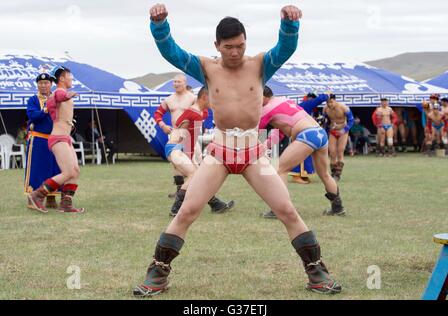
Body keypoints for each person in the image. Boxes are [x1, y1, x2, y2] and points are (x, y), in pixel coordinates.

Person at [133, 3, 342, 297]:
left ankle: (317, 273)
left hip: (253, 152)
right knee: (188, 210)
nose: (235, 52)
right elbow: (172, 52)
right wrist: (160, 26)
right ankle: (157, 274)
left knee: (286, 210)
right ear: (216, 45)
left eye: (240, 46)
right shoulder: (206, 67)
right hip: (219, 151)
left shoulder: (259, 65)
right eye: (229, 47)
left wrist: (290, 24)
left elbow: (286, 48)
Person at [259, 87, 346, 219]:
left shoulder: (266, 109)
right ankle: (338, 208)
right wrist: (267, 145)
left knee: (280, 169)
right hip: (319, 133)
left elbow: (255, 128)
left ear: (264, 96)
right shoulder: (284, 100)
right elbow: (282, 129)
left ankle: (280, 209)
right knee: (325, 175)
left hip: (306, 135)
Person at [166, 86, 234, 216]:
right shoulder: (196, 114)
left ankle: (216, 204)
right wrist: (188, 157)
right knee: (194, 176)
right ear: (204, 97)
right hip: (177, 149)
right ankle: (176, 209)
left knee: (200, 178)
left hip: (174, 148)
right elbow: (190, 139)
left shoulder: (192, 111)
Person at [27, 66, 84, 213]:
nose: (71, 78)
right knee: (67, 172)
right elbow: (58, 97)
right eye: (69, 76)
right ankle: (37, 195)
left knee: (75, 171)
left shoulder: (58, 93)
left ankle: (66, 204)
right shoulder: (60, 92)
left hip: (65, 137)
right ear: (62, 78)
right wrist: (67, 96)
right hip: (58, 138)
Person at [153, 74, 196, 199]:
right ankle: (182, 193)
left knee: (194, 168)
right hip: (175, 135)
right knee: (179, 166)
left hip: (189, 136)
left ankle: (212, 201)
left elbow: (202, 115)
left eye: (179, 81)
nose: (176, 84)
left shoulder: (192, 98)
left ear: (185, 83)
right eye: (175, 82)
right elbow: (157, 113)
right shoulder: (169, 99)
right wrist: (163, 126)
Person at [24, 73, 61, 210]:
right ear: (37, 85)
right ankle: (31, 198)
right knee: (37, 169)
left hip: (55, 139)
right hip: (38, 139)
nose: (43, 85)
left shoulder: (57, 98)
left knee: (54, 168)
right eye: (41, 83)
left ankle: (51, 197)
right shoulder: (33, 100)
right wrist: (45, 110)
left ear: (51, 84)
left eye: (46, 83)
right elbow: (32, 115)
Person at [289, 92, 330, 184]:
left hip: (302, 132)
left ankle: (303, 174)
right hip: (299, 132)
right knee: (299, 154)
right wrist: (327, 95)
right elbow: (319, 99)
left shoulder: (308, 108)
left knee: (306, 154)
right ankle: (296, 175)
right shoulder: (306, 104)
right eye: (312, 98)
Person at [322, 94, 354, 181]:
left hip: (343, 131)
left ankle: (338, 174)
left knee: (340, 151)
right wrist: (327, 128)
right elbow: (324, 121)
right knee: (332, 153)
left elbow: (351, 120)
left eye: (331, 102)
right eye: (328, 102)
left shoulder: (344, 108)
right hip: (333, 131)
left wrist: (344, 130)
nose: (330, 104)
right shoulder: (325, 109)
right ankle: (333, 173)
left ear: (335, 100)